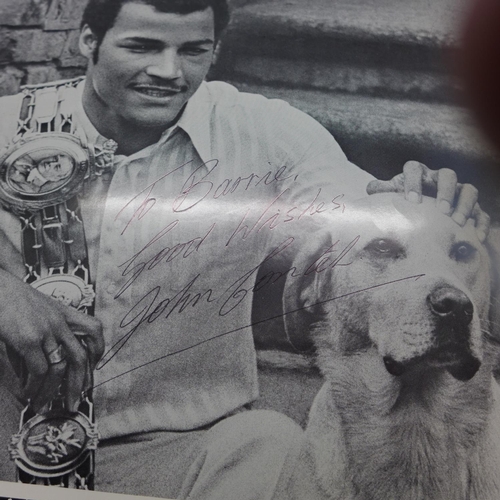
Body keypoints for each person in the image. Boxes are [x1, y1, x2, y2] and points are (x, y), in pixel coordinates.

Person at [0, 0, 489, 498]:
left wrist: (423, 197)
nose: (168, 71)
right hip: (11, 437)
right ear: (88, 41)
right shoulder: (11, 127)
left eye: (193, 50)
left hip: (180, 446)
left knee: (268, 441)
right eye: (142, 46)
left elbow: (364, 207)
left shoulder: (263, 131)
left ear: (215, 51)